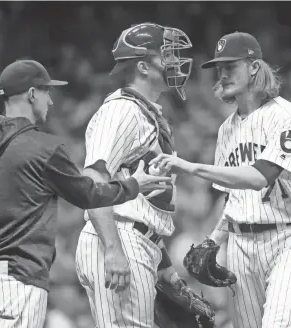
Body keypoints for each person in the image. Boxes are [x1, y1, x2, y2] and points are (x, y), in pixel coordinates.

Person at [0, 59, 171, 328]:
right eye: (47, 92)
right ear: (32, 94)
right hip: (21, 276)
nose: (51, 102)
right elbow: (89, 194)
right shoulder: (43, 149)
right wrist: (133, 185)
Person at [150, 32, 291, 328]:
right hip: (240, 244)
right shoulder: (227, 130)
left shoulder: (288, 118)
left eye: (231, 67)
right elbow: (235, 198)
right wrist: (214, 238)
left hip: (288, 238)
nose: (223, 75)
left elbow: (258, 178)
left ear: (254, 67)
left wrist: (190, 167)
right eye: (220, 69)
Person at [75, 22, 193, 328]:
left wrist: (165, 266)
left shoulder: (145, 111)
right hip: (117, 237)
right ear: (143, 65)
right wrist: (113, 249)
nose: (174, 62)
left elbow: (146, 205)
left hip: (137, 239)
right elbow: (93, 179)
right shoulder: (122, 110)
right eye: (166, 55)